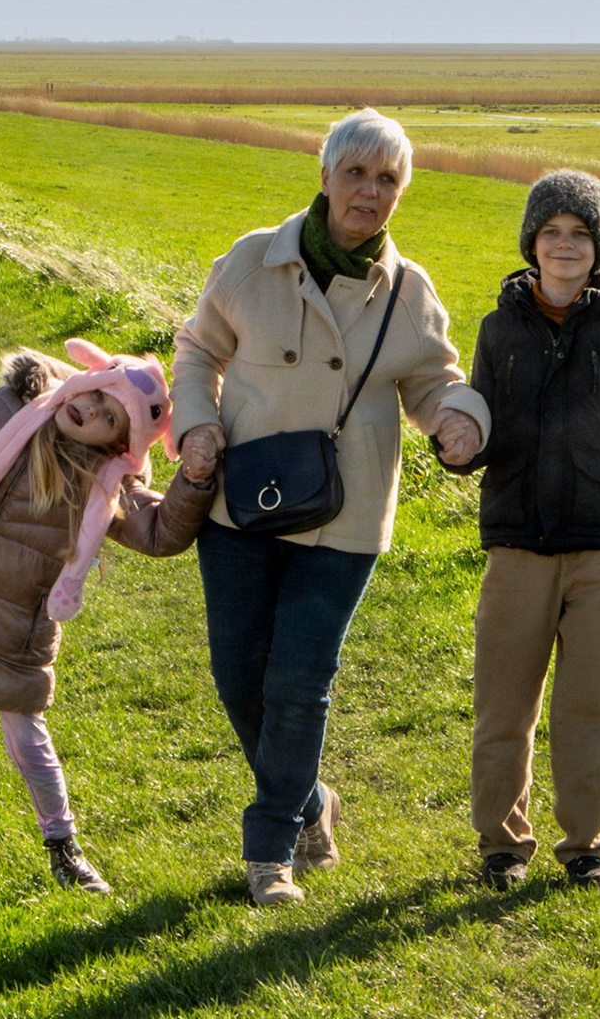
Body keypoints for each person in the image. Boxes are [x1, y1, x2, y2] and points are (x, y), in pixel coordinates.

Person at [171, 107, 491, 906]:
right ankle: (313, 800)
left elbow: (433, 379)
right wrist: (197, 426)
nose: (371, 192)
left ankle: (272, 848)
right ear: (324, 177)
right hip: (242, 503)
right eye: (357, 174)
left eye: (388, 180)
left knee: (300, 682)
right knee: (239, 674)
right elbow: (197, 350)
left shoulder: (410, 292)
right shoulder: (253, 261)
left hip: (345, 519)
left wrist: (460, 417)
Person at [0, 339, 217, 902]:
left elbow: (159, 532)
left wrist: (195, 482)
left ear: (119, 445)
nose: (94, 412)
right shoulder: (4, 410)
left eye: (112, 420)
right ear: (85, 379)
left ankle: (64, 848)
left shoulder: (103, 481)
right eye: (100, 396)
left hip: (15, 633)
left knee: (29, 743)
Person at [448, 169, 600, 891]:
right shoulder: (498, 329)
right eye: (551, 232)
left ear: (599, 246)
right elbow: (479, 427)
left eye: (580, 234)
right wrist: (455, 442)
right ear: (532, 242)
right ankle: (501, 844)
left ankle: (585, 846)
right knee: (503, 703)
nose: (564, 245)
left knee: (590, 707)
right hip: (517, 545)